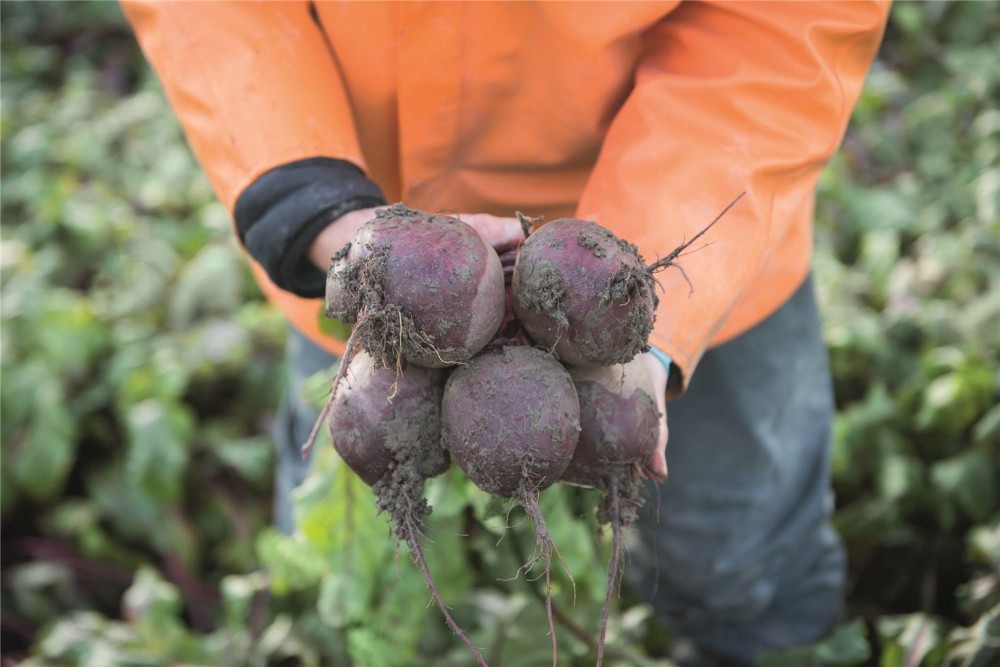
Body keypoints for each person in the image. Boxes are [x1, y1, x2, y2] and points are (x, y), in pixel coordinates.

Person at [122, 1, 890, 663]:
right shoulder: (358, 256)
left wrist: (647, 309)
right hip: (364, 258)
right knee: (359, 591)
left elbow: (786, 23)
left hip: (693, 237)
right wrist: (314, 207)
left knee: (747, 570)